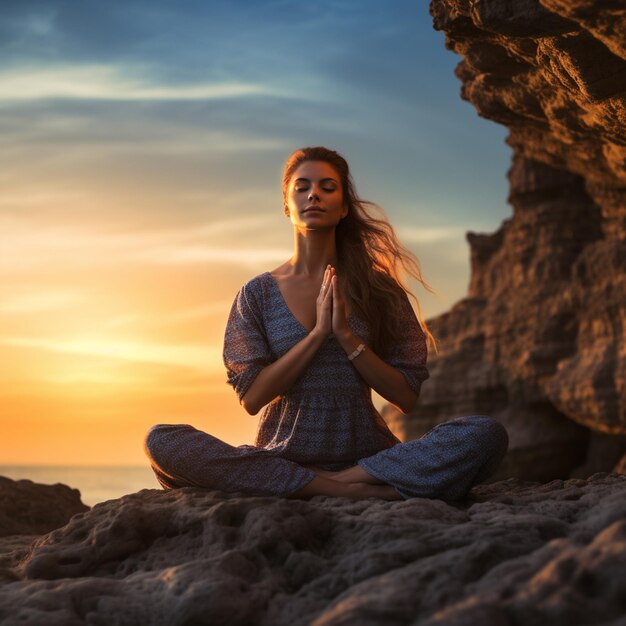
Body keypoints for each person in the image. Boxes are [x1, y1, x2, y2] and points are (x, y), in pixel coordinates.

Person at [144, 146, 508, 501]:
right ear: (286, 206)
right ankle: (343, 490)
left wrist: (347, 338)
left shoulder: (378, 289)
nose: (313, 194)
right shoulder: (257, 294)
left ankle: (334, 482)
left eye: (327, 187)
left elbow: (405, 397)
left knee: (484, 433)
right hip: (282, 459)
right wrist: (317, 335)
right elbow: (253, 398)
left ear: (344, 208)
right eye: (302, 187)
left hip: (369, 458)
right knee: (161, 439)